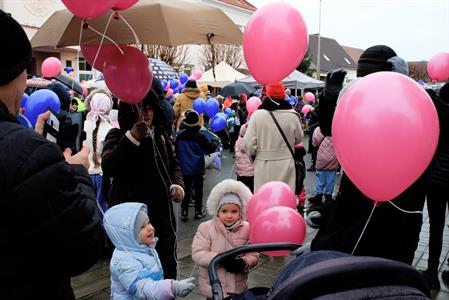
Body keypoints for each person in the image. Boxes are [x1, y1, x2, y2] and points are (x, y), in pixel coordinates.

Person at [0, 10, 104, 298]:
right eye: (25, 72)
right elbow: (83, 245)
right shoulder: (27, 154)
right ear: (10, 74)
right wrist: (77, 174)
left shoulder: (26, 150)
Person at [306, 45, 426, 265]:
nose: (363, 86)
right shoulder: (363, 111)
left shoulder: (409, 115)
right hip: (354, 223)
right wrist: (329, 101)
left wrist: (318, 247)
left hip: (387, 242)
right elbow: (331, 131)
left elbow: (371, 224)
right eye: (359, 79)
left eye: (370, 78)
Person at [102, 89, 185, 279]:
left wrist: (177, 185)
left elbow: (174, 165)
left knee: (166, 268)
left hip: (162, 215)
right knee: (138, 276)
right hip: (133, 220)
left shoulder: (160, 135)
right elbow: (109, 166)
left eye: (150, 109)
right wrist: (132, 138)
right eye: (141, 109)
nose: (146, 114)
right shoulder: (117, 135)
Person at [103, 202, 195, 299]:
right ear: (127, 235)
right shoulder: (124, 261)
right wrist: (172, 287)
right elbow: (142, 288)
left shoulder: (144, 247)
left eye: (149, 223)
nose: (150, 228)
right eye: (142, 227)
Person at [191, 179, 259, 298]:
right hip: (213, 285)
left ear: (240, 211)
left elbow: (254, 254)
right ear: (217, 211)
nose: (229, 215)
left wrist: (244, 262)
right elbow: (198, 252)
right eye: (224, 211)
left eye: (234, 211)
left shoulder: (247, 229)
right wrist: (219, 259)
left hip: (237, 286)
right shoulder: (206, 228)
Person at [245, 82, 303, 192]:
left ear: (268, 95)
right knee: (283, 197)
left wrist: (255, 159)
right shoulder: (293, 115)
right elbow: (298, 139)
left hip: (263, 163)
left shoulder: (257, 115)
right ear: (283, 95)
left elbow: (249, 144)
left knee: (264, 198)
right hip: (286, 163)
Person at [421, 83, 449, 290]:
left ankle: (432, 272)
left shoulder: (441, 113)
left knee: (436, 226)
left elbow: (431, 96)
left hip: (438, 179)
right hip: (440, 178)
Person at [175, 109, 218, 221]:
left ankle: (184, 212)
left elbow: (176, 151)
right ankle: (198, 211)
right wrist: (215, 142)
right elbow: (210, 148)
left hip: (184, 168)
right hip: (198, 167)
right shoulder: (200, 137)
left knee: (186, 189)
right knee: (198, 190)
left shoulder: (179, 136)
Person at [84, 89, 114, 214]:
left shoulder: (84, 125)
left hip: (86, 176)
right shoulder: (110, 129)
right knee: (104, 212)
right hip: (103, 177)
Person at [235, 124, 254, 192]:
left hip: (240, 172)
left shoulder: (237, 142)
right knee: (250, 192)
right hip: (251, 173)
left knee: (242, 193)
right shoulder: (252, 143)